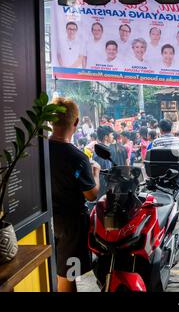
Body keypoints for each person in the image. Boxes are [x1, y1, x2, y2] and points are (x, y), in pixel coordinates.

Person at [48, 97, 100, 292]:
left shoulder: (40, 151)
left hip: (48, 222)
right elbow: (91, 195)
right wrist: (96, 174)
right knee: (69, 274)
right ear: (76, 123)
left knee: (55, 269)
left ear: (51, 121)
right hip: (71, 226)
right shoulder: (78, 157)